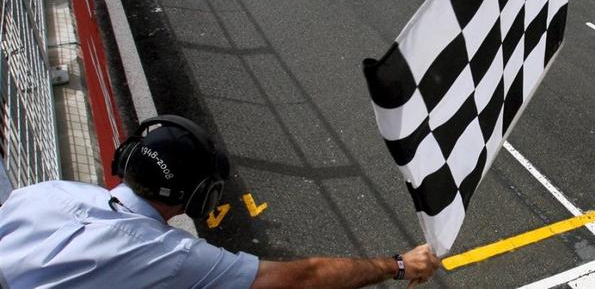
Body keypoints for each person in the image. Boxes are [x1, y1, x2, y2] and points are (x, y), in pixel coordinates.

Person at [0, 115, 440, 288]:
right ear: (198, 197)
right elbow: (304, 277)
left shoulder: (48, 192)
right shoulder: (171, 257)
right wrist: (397, 264)